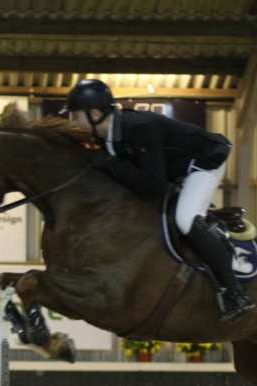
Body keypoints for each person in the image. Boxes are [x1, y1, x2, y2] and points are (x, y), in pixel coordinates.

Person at [63, 78, 255, 323]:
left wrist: (109, 165)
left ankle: (236, 294)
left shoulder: (138, 128)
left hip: (204, 161)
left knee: (185, 220)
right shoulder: (106, 137)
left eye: (76, 116)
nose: (74, 122)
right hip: (175, 168)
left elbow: (155, 185)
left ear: (96, 113)